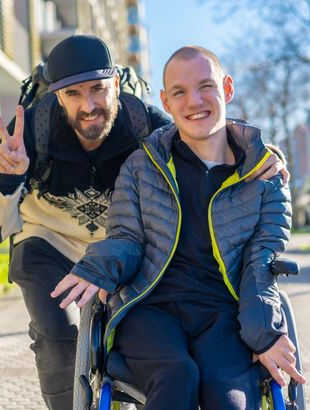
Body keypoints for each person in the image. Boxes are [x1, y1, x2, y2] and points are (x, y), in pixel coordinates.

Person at [0, 35, 285, 410]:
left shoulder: (142, 123)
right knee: (60, 338)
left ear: (116, 83)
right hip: (49, 244)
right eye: (74, 94)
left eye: (98, 89)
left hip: (122, 246)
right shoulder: (30, 131)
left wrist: (259, 151)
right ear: (56, 97)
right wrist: (7, 178)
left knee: (145, 357)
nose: (89, 105)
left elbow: (201, 127)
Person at [51, 45, 306, 410]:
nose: (194, 101)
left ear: (227, 89)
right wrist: (100, 266)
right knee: (177, 376)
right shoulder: (141, 166)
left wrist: (265, 333)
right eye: (180, 92)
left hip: (224, 314)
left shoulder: (265, 177)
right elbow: (127, 238)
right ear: (166, 103)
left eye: (206, 86)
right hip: (150, 309)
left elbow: (260, 262)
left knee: (231, 400)